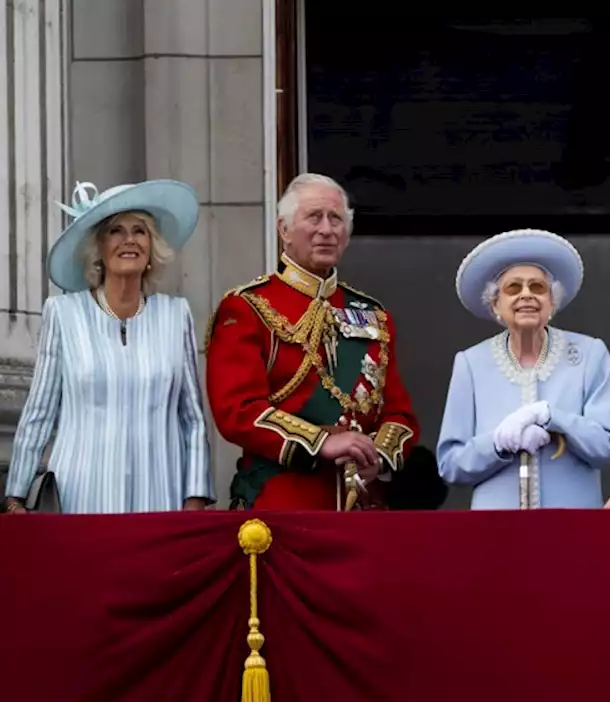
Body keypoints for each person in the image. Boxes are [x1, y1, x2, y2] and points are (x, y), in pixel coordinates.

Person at [204, 173, 420, 510]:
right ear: (284, 229)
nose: (326, 229)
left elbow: (399, 415)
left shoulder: (373, 315)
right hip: (282, 504)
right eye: (314, 217)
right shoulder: (248, 307)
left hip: (362, 507)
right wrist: (321, 442)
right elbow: (238, 411)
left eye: (336, 219)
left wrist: (378, 455)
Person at [4, 180, 214, 514]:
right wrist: (15, 495)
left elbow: (192, 418)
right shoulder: (64, 313)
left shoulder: (175, 315)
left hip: (160, 498)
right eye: (116, 230)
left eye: (140, 231)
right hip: (81, 499)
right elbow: (39, 412)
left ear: (151, 249)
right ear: (98, 248)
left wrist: (195, 497)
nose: (129, 240)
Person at [437, 229, 610, 509]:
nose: (526, 295)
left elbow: (605, 447)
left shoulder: (589, 354)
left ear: (552, 302)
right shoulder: (471, 363)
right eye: (513, 288)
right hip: (497, 529)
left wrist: (552, 417)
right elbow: (451, 465)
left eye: (538, 287)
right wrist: (498, 443)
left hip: (573, 525)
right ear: (495, 304)